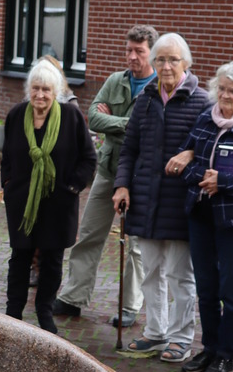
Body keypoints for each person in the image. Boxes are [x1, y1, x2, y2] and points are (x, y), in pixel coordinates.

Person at [113, 32, 209, 362]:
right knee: (151, 269)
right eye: (160, 59)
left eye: (173, 59)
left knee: (181, 274)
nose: (166, 66)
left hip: (182, 201)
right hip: (146, 199)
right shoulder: (146, 100)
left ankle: (181, 337)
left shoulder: (202, 101)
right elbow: (129, 149)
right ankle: (156, 332)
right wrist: (122, 185)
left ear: (187, 63)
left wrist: (191, 152)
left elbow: (215, 146)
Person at [53, 26, 158, 327]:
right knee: (89, 234)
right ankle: (73, 297)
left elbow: (149, 131)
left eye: (139, 51)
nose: (132, 56)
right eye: (129, 50)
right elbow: (94, 117)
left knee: (135, 244)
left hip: (140, 175)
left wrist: (115, 120)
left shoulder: (159, 88)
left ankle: (129, 307)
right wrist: (128, 123)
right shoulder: (116, 80)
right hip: (108, 168)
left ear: (152, 51)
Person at [1, 58, 96, 333]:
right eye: (36, 88)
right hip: (22, 203)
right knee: (20, 256)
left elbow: (88, 158)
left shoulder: (71, 117)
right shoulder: (17, 115)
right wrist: (7, 184)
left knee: (52, 260)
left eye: (46, 90)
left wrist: (73, 188)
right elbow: (6, 156)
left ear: (55, 93)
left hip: (59, 203)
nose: (40, 95)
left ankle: (44, 311)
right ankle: (13, 314)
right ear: (29, 89)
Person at [165, 63, 233, 372]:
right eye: (221, 88)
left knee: (229, 289)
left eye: (231, 91)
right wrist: (202, 179)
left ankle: (226, 354)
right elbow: (185, 157)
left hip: (229, 220)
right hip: (201, 214)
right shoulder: (206, 118)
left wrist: (224, 181)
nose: (224, 95)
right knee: (205, 287)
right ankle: (208, 347)